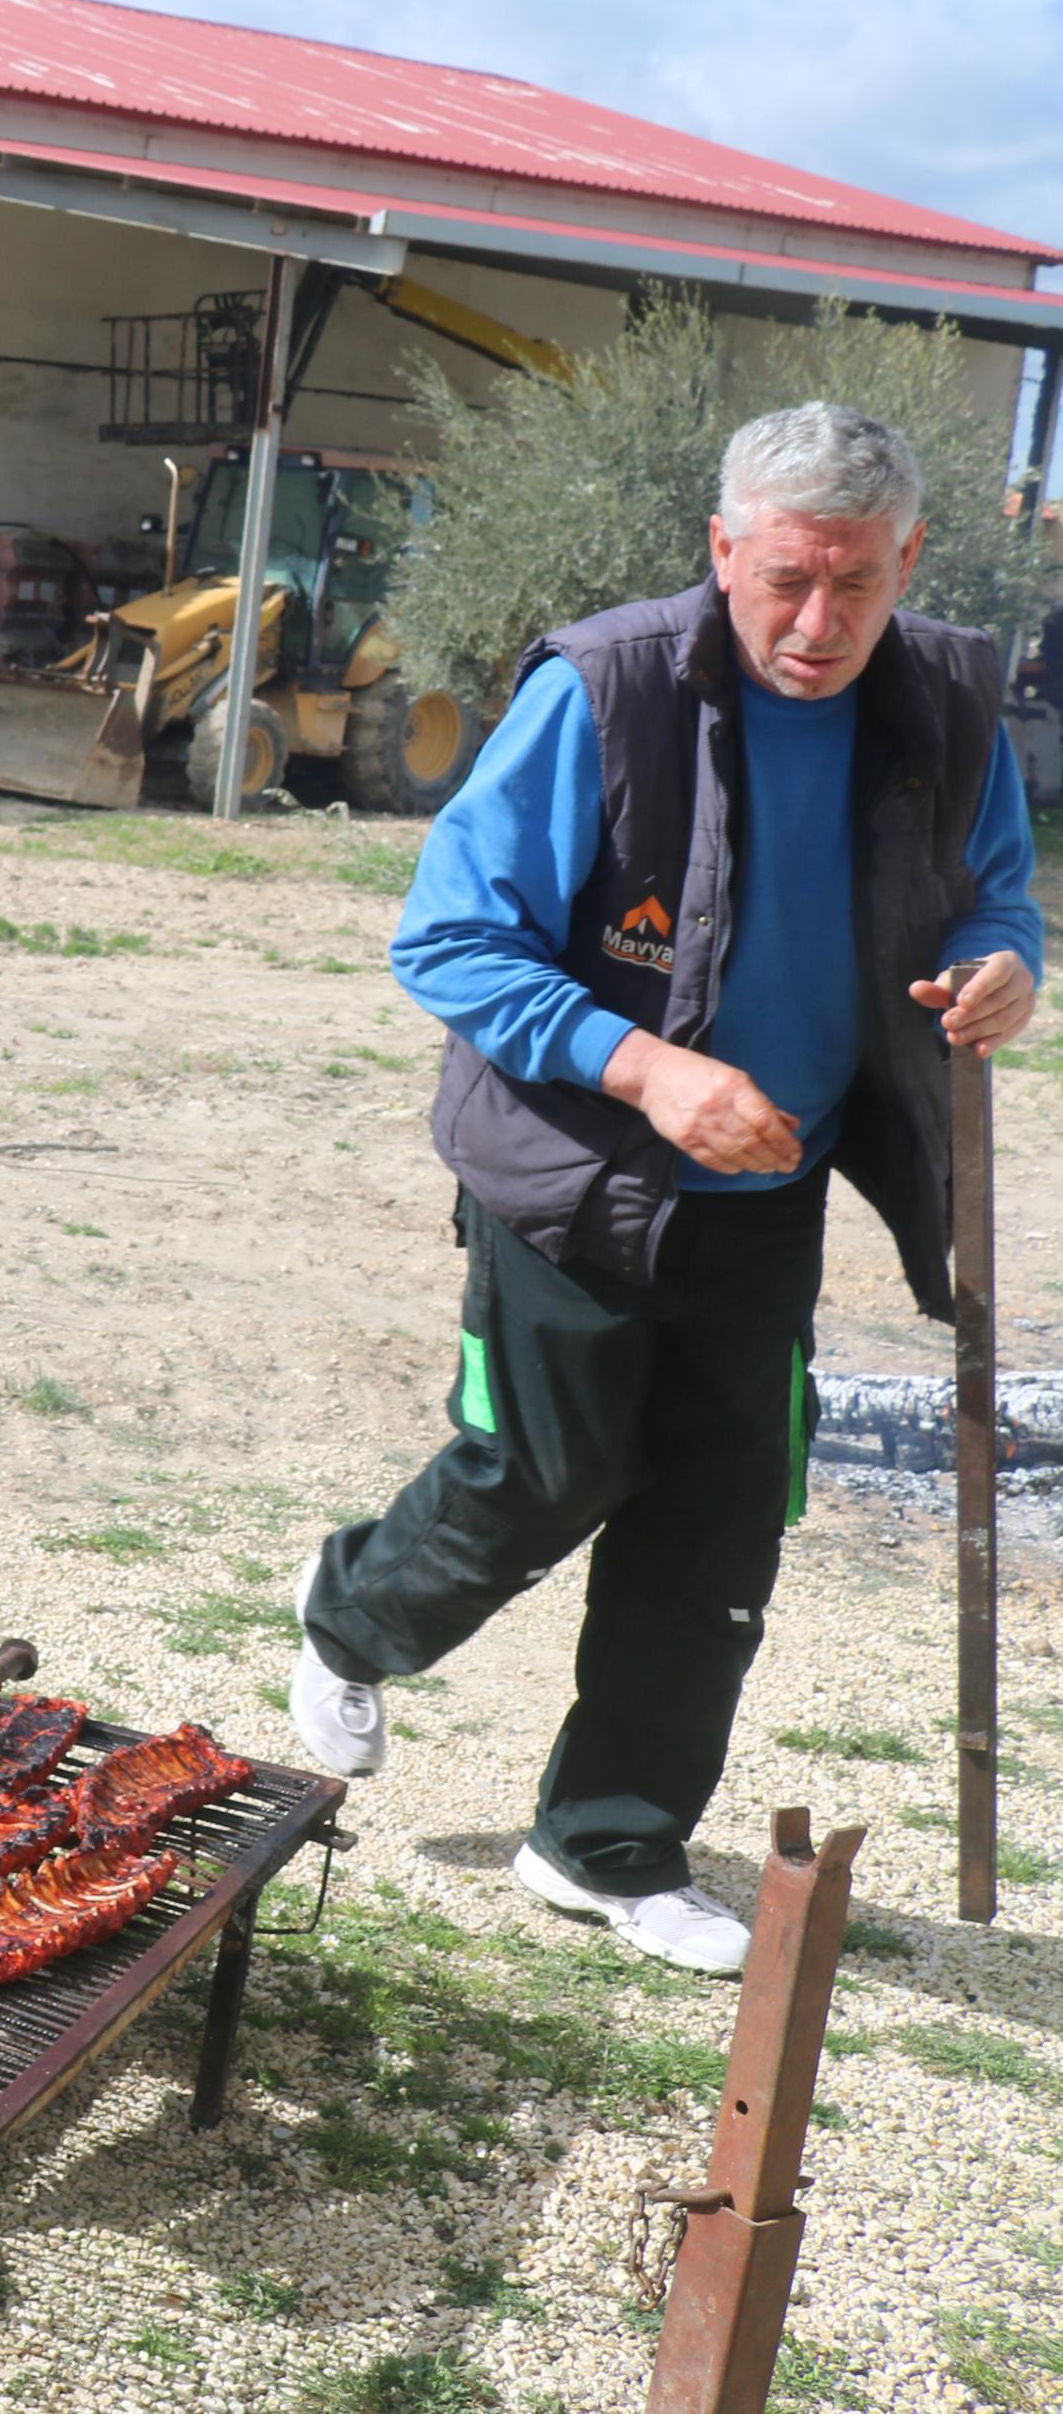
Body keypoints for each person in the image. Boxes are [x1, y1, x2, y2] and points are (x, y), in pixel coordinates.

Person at [293, 404, 1039, 1973]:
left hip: (770, 1176)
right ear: (719, 550)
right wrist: (649, 1072)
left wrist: (1002, 970)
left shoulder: (949, 700)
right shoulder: (608, 688)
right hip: (573, 1169)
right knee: (542, 1473)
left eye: (853, 584)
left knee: (715, 1515)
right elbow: (443, 936)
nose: (815, 623)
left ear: (905, 558)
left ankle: (602, 1842)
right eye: (781, 581)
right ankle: (351, 1610)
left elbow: (992, 894)